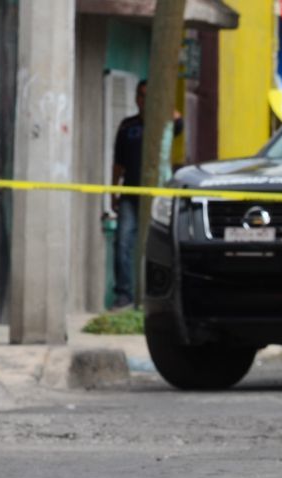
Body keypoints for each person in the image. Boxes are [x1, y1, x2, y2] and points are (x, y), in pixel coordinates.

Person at [111, 80, 182, 310]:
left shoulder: (163, 125)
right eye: (141, 96)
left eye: (149, 97)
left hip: (156, 197)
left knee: (156, 245)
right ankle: (124, 295)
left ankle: (157, 294)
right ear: (136, 99)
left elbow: (179, 120)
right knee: (122, 243)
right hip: (130, 195)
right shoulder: (127, 126)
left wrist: (162, 105)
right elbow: (118, 164)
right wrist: (114, 191)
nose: (144, 101)